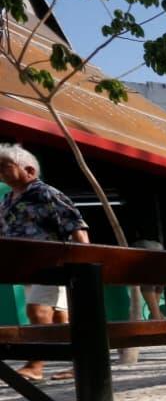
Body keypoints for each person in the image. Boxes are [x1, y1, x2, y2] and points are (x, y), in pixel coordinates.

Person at [0, 143, 90, 381]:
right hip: (27, 267)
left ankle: (35, 365)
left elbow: (76, 226)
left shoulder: (45, 193)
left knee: (36, 310)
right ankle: (79, 364)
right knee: (60, 316)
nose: (0, 171)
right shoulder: (8, 198)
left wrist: (84, 262)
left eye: (5, 166)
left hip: (51, 263)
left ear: (29, 170)